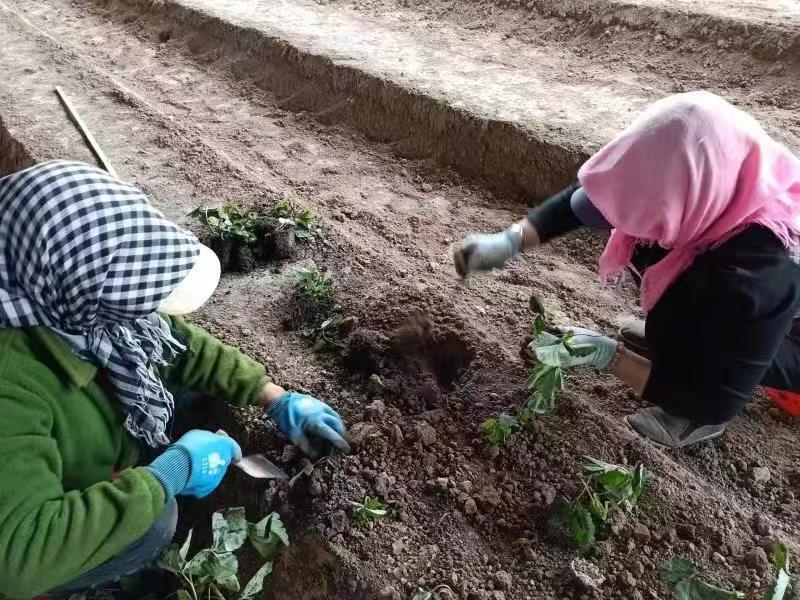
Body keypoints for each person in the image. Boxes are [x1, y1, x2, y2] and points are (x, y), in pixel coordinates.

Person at [0, 160, 349, 598]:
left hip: (90, 450)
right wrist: (168, 474)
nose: (142, 310)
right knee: (154, 523)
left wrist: (274, 397)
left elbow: (175, 341)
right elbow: (16, 558)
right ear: (82, 289)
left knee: (190, 390)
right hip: (28, 544)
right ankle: (84, 585)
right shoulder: (11, 382)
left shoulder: (66, 305)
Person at [454, 91, 800, 448]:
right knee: (665, 275)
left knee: (705, 343)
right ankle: (676, 340)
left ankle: (694, 422)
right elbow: (599, 198)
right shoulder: (717, 166)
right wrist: (509, 242)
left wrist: (606, 354)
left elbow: (716, 398)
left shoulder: (757, 275)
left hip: (786, 334)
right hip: (739, 284)